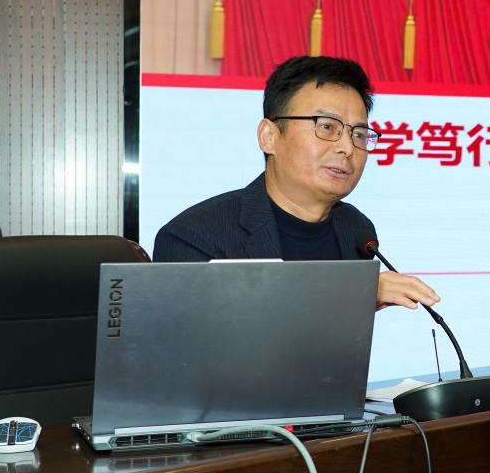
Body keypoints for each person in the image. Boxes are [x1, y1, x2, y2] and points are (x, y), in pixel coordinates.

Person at [153, 55, 438, 311]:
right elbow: (202, 342)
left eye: (359, 134)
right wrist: (352, 294)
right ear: (269, 136)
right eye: (327, 127)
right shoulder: (196, 237)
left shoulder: (355, 230)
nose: (347, 148)